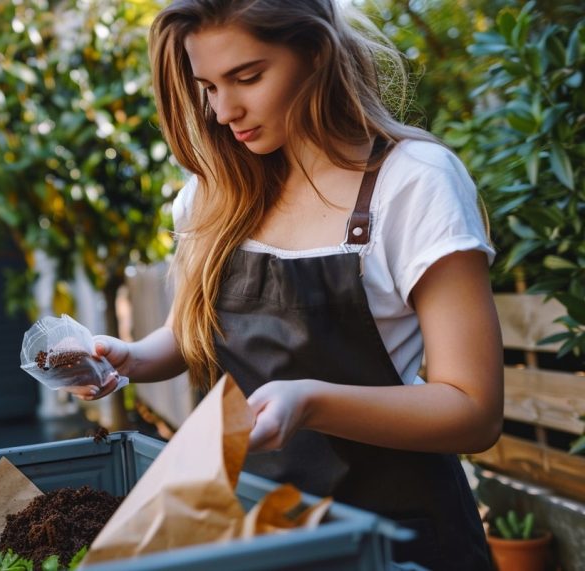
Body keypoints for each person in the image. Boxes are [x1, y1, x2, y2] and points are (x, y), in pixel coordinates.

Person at [70, 1, 502, 569]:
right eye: (208, 86)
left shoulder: (413, 184)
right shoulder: (213, 196)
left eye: (247, 77)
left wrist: (309, 402)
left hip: (395, 537)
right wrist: (126, 358)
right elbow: (184, 334)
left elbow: (474, 412)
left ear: (317, 54)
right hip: (258, 529)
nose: (225, 110)